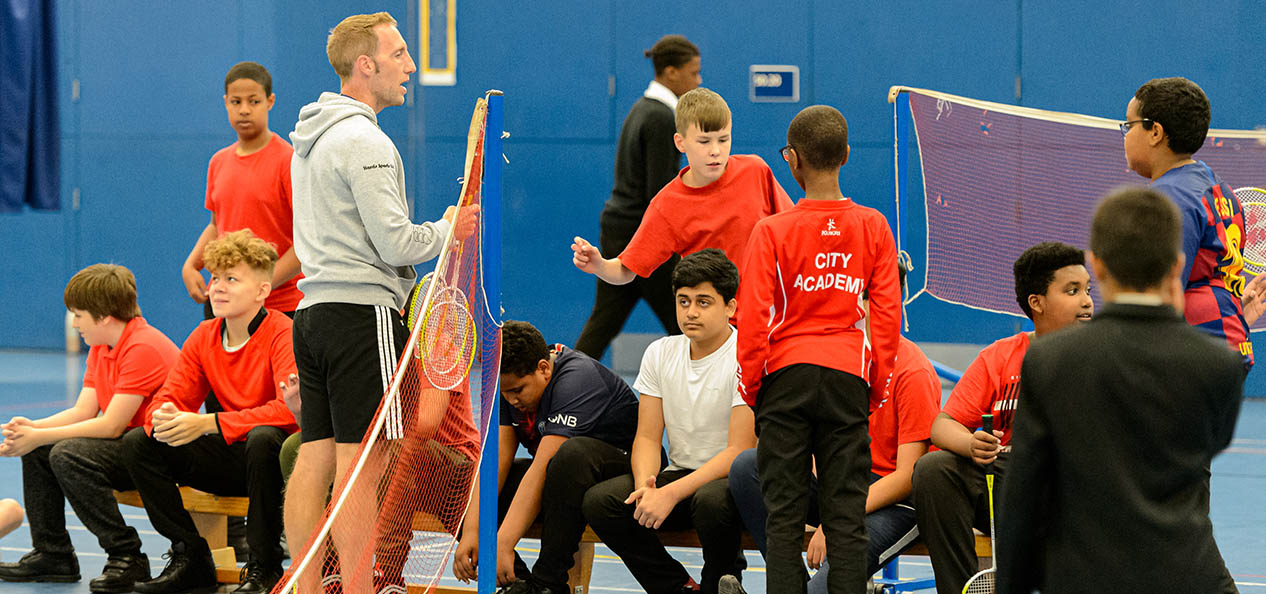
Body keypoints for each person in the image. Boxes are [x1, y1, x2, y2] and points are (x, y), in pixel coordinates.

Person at [283, 12, 478, 594]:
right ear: (365, 65)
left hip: (312, 316)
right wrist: (450, 227)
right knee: (360, 467)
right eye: (398, 54)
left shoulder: (308, 140)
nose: (410, 66)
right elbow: (394, 241)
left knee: (314, 456)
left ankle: (307, 586)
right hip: (361, 318)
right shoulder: (366, 140)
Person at [997, 187, 1244, 594]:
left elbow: (1024, 493)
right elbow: (1206, 448)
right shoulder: (1220, 365)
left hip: (1083, 578)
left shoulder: (1049, 361)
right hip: (1184, 576)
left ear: (1098, 265)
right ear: (1177, 265)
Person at [736, 105, 900, 594]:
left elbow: (752, 317)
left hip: (785, 379)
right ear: (847, 155)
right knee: (846, 519)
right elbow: (887, 318)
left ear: (792, 161)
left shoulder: (771, 230)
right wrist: (876, 385)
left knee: (782, 520)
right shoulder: (874, 226)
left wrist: (753, 387)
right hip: (848, 378)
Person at [725, 264, 940, 594]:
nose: (862, 306)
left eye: (874, 297)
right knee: (748, 466)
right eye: (858, 295)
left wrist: (837, 517)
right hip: (840, 483)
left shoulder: (914, 373)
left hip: (893, 501)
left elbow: (908, 475)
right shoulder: (829, 359)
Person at [911, 241, 1093, 594]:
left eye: (1087, 290)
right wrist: (972, 443)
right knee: (934, 471)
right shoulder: (1000, 357)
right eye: (1072, 291)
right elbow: (941, 426)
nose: (1086, 300)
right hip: (1003, 488)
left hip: (1067, 498)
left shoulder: (1103, 356)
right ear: (1036, 303)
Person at [123, 230, 299, 594]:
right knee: (140, 442)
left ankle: (264, 567)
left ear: (262, 291)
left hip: (269, 465)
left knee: (265, 438)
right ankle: (191, 557)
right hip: (226, 458)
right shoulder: (204, 334)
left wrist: (209, 423)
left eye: (231, 279)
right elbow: (168, 398)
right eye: (215, 277)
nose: (217, 287)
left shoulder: (283, 331)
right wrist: (164, 419)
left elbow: (289, 413)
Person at [582, 248, 753, 594]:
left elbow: (738, 450)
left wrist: (670, 493)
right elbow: (646, 437)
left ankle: (719, 583)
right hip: (679, 475)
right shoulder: (660, 353)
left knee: (710, 502)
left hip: (728, 483)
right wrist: (647, 486)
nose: (691, 312)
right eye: (683, 301)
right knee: (603, 502)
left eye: (704, 302)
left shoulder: (746, 355)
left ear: (731, 308)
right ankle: (676, 587)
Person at [0, 264, 180, 591]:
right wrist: (31, 428)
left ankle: (127, 554)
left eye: (78, 314)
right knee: (41, 449)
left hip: (159, 454)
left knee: (68, 454)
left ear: (103, 316)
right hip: (127, 446)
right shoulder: (102, 346)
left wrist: (38, 435)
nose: (74, 322)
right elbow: (83, 410)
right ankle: (52, 553)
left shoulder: (142, 347)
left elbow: (111, 425)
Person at [451, 321, 639, 594]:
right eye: (504, 392)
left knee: (567, 458)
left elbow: (542, 467)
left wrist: (502, 542)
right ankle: (519, 583)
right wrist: (472, 530)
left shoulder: (577, 378)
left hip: (619, 473)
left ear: (543, 368)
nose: (512, 399)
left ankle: (548, 585)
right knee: (460, 479)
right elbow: (496, 464)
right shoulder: (509, 389)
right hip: (563, 479)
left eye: (518, 390)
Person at [572, 87, 792, 295]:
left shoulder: (755, 170)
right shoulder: (667, 204)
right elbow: (626, 269)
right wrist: (600, 265)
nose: (715, 151)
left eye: (723, 139)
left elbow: (792, 230)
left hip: (770, 314)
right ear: (680, 142)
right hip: (715, 324)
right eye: (704, 141)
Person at [574, 34, 701, 359]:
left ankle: (565, 384)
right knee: (690, 322)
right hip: (641, 233)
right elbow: (661, 192)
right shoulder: (661, 118)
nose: (698, 80)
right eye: (694, 72)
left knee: (604, 322)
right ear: (671, 72)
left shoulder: (643, 108)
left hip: (620, 230)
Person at [1122, 76, 1253, 367]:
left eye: (1128, 125)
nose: (1125, 135)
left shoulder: (1169, 199)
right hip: (1229, 343)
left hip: (1191, 358)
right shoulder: (1221, 189)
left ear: (1155, 132)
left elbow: (1162, 295)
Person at [181, 61, 302, 318]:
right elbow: (217, 225)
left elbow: (306, 240)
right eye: (236, 102)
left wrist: (260, 284)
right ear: (226, 102)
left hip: (280, 306)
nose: (244, 110)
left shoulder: (289, 161)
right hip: (226, 301)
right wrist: (191, 265)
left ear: (270, 101)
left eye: (254, 101)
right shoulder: (218, 162)